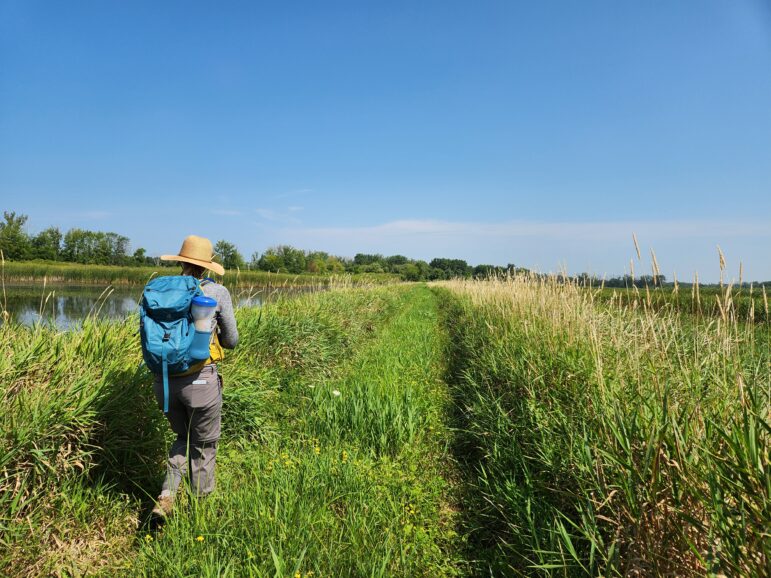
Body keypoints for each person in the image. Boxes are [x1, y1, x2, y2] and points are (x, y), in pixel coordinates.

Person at [151, 235, 238, 519]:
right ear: (207, 265)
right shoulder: (217, 292)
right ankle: (200, 513)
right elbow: (231, 341)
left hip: (164, 381)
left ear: (182, 262)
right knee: (203, 445)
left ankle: (166, 496)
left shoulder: (161, 290)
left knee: (180, 436)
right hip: (201, 381)